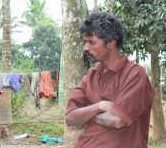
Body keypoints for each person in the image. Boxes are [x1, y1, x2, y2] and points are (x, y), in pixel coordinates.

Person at [65, 12, 154, 148]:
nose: (85, 48)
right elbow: (70, 118)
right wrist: (99, 106)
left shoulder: (135, 74)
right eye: (85, 42)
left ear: (111, 43)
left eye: (91, 42)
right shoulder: (91, 75)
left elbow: (117, 120)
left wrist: (87, 113)